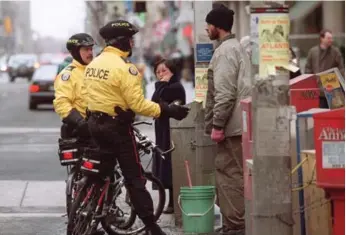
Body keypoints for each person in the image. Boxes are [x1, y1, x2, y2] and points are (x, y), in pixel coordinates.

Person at [84, 20, 189, 235]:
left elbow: (90, 95)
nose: (133, 43)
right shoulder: (126, 69)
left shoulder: (94, 64)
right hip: (116, 128)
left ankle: (88, 217)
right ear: (122, 41)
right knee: (135, 177)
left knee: (101, 173)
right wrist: (168, 110)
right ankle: (151, 226)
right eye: (131, 39)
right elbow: (139, 105)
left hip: (94, 124)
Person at [204, 6, 252, 235]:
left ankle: (235, 228)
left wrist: (217, 126)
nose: (206, 28)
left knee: (229, 176)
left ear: (217, 26)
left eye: (209, 24)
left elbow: (224, 94)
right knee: (237, 174)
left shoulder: (224, 52)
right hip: (240, 125)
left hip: (231, 127)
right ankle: (237, 225)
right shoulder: (237, 48)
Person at [151, 57, 186, 214]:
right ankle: (168, 201)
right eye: (158, 72)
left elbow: (171, 108)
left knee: (171, 164)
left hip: (171, 129)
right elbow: (153, 104)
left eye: (164, 70)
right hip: (162, 129)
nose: (160, 74)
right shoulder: (162, 86)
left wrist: (162, 105)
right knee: (164, 165)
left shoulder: (175, 87)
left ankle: (172, 202)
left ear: (172, 71)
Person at [53, 33, 95, 139]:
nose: (90, 53)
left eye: (91, 49)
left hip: (100, 127)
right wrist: (79, 122)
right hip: (79, 131)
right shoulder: (67, 75)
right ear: (76, 52)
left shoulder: (96, 69)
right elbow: (61, 103)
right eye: (86, 49)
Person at [305, 29, 344, 108]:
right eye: (328, 38)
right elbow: (308, 68)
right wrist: (310, 81)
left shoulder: (335, 52)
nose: (331, 40)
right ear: (322, 38)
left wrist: (341, 83)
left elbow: (341, 68)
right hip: (317, 87)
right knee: (319, 111)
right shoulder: (313, 52)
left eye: (331, 38)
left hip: (331, 86)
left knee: (334, 110)